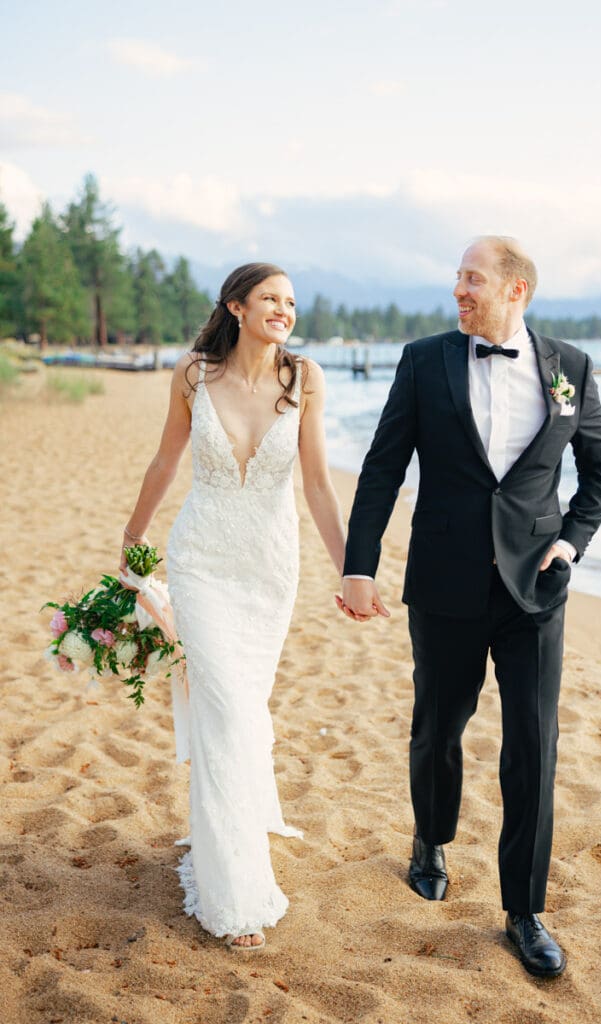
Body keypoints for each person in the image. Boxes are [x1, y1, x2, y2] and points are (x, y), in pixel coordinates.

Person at [338, 236, 601, 978]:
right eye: (457, 279)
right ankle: (431, 838)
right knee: (439, 724)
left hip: (536, 589)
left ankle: (524, 910)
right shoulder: (424, 360)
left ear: (516, 290)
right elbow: (382, 466)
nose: (458, 291)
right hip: (445, 581)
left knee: (534, 744)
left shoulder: (570, 368)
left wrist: (572, 543)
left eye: (472, 280)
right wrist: (358, 566)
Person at [122, 263, 346, 951]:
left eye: (291, 301)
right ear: (236, 307)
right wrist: (133, 539)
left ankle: (225, 843)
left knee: (243, 710)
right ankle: (235, 889)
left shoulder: (305, 379)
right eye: (270, 299)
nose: (284, 309)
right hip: (202, 561)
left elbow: (316, 484)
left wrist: (352, 569)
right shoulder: (193, 374)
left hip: (270, 569)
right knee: (229, 711)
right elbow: (166, 462)